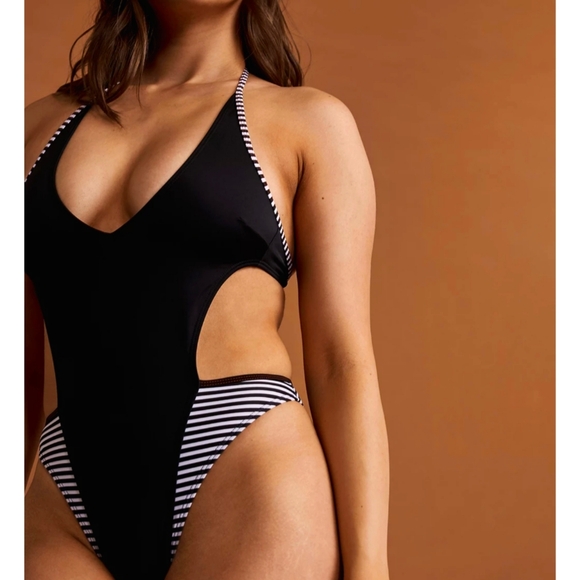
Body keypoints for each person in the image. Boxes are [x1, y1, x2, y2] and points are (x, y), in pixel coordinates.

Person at [24, 1, 390, 579]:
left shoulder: (307, 123)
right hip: (64, 491)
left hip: (242, 471)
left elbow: (340, 362)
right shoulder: (31, 130)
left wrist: (370, 566)